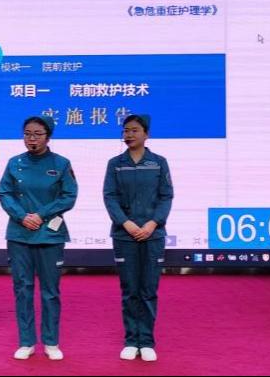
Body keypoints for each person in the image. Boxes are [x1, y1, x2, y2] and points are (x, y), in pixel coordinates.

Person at [0, 116, 78, 361]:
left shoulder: (61, 164)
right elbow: (4, 193)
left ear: (48, 136)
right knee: (23, 289)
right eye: (27, 134)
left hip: (50, 236)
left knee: (50, 291)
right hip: (19, 234)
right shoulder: (14, 163)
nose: (31, 138)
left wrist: (41, 215)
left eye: (37, 134)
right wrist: (22, 216)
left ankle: (51, 342)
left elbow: (69, 196)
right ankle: (27, 342)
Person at [102, 114, 174, 362]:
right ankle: (132, 340)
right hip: (125, 235)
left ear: (146, 134)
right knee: (130, 289)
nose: (129, 134)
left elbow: (166, 196)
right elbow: (110, 197)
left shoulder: (159, 163)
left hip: (153, 235)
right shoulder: (115, 164)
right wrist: (127, 223)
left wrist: (153, 223)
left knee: (149, 289)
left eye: (134, 130)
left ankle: (147, 341)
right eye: (126, 130)